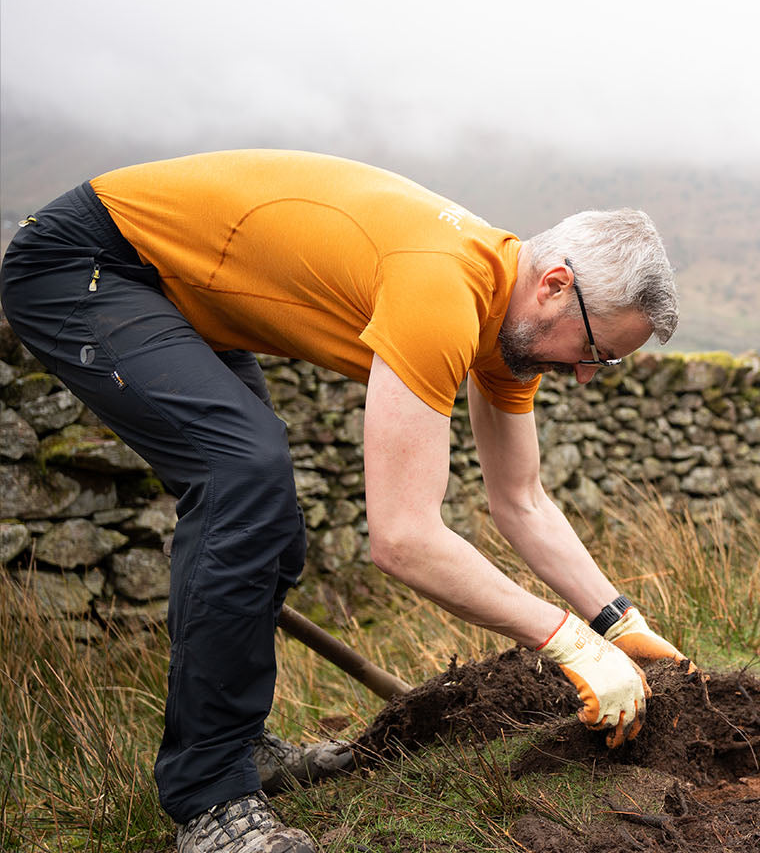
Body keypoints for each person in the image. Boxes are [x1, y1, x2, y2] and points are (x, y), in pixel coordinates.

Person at [0, 150, 688, 853]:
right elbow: (403, 537)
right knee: (243, 476)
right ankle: (212, 803)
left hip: (178, 294)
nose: (582, 375)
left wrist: (618, 621)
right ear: (555, 284)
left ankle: (239, 747)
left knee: (265, 515)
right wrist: (569, 643)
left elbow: (522, 500)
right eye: (595, 352)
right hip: (87, 263)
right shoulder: (441, 286)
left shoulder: (507, 326)